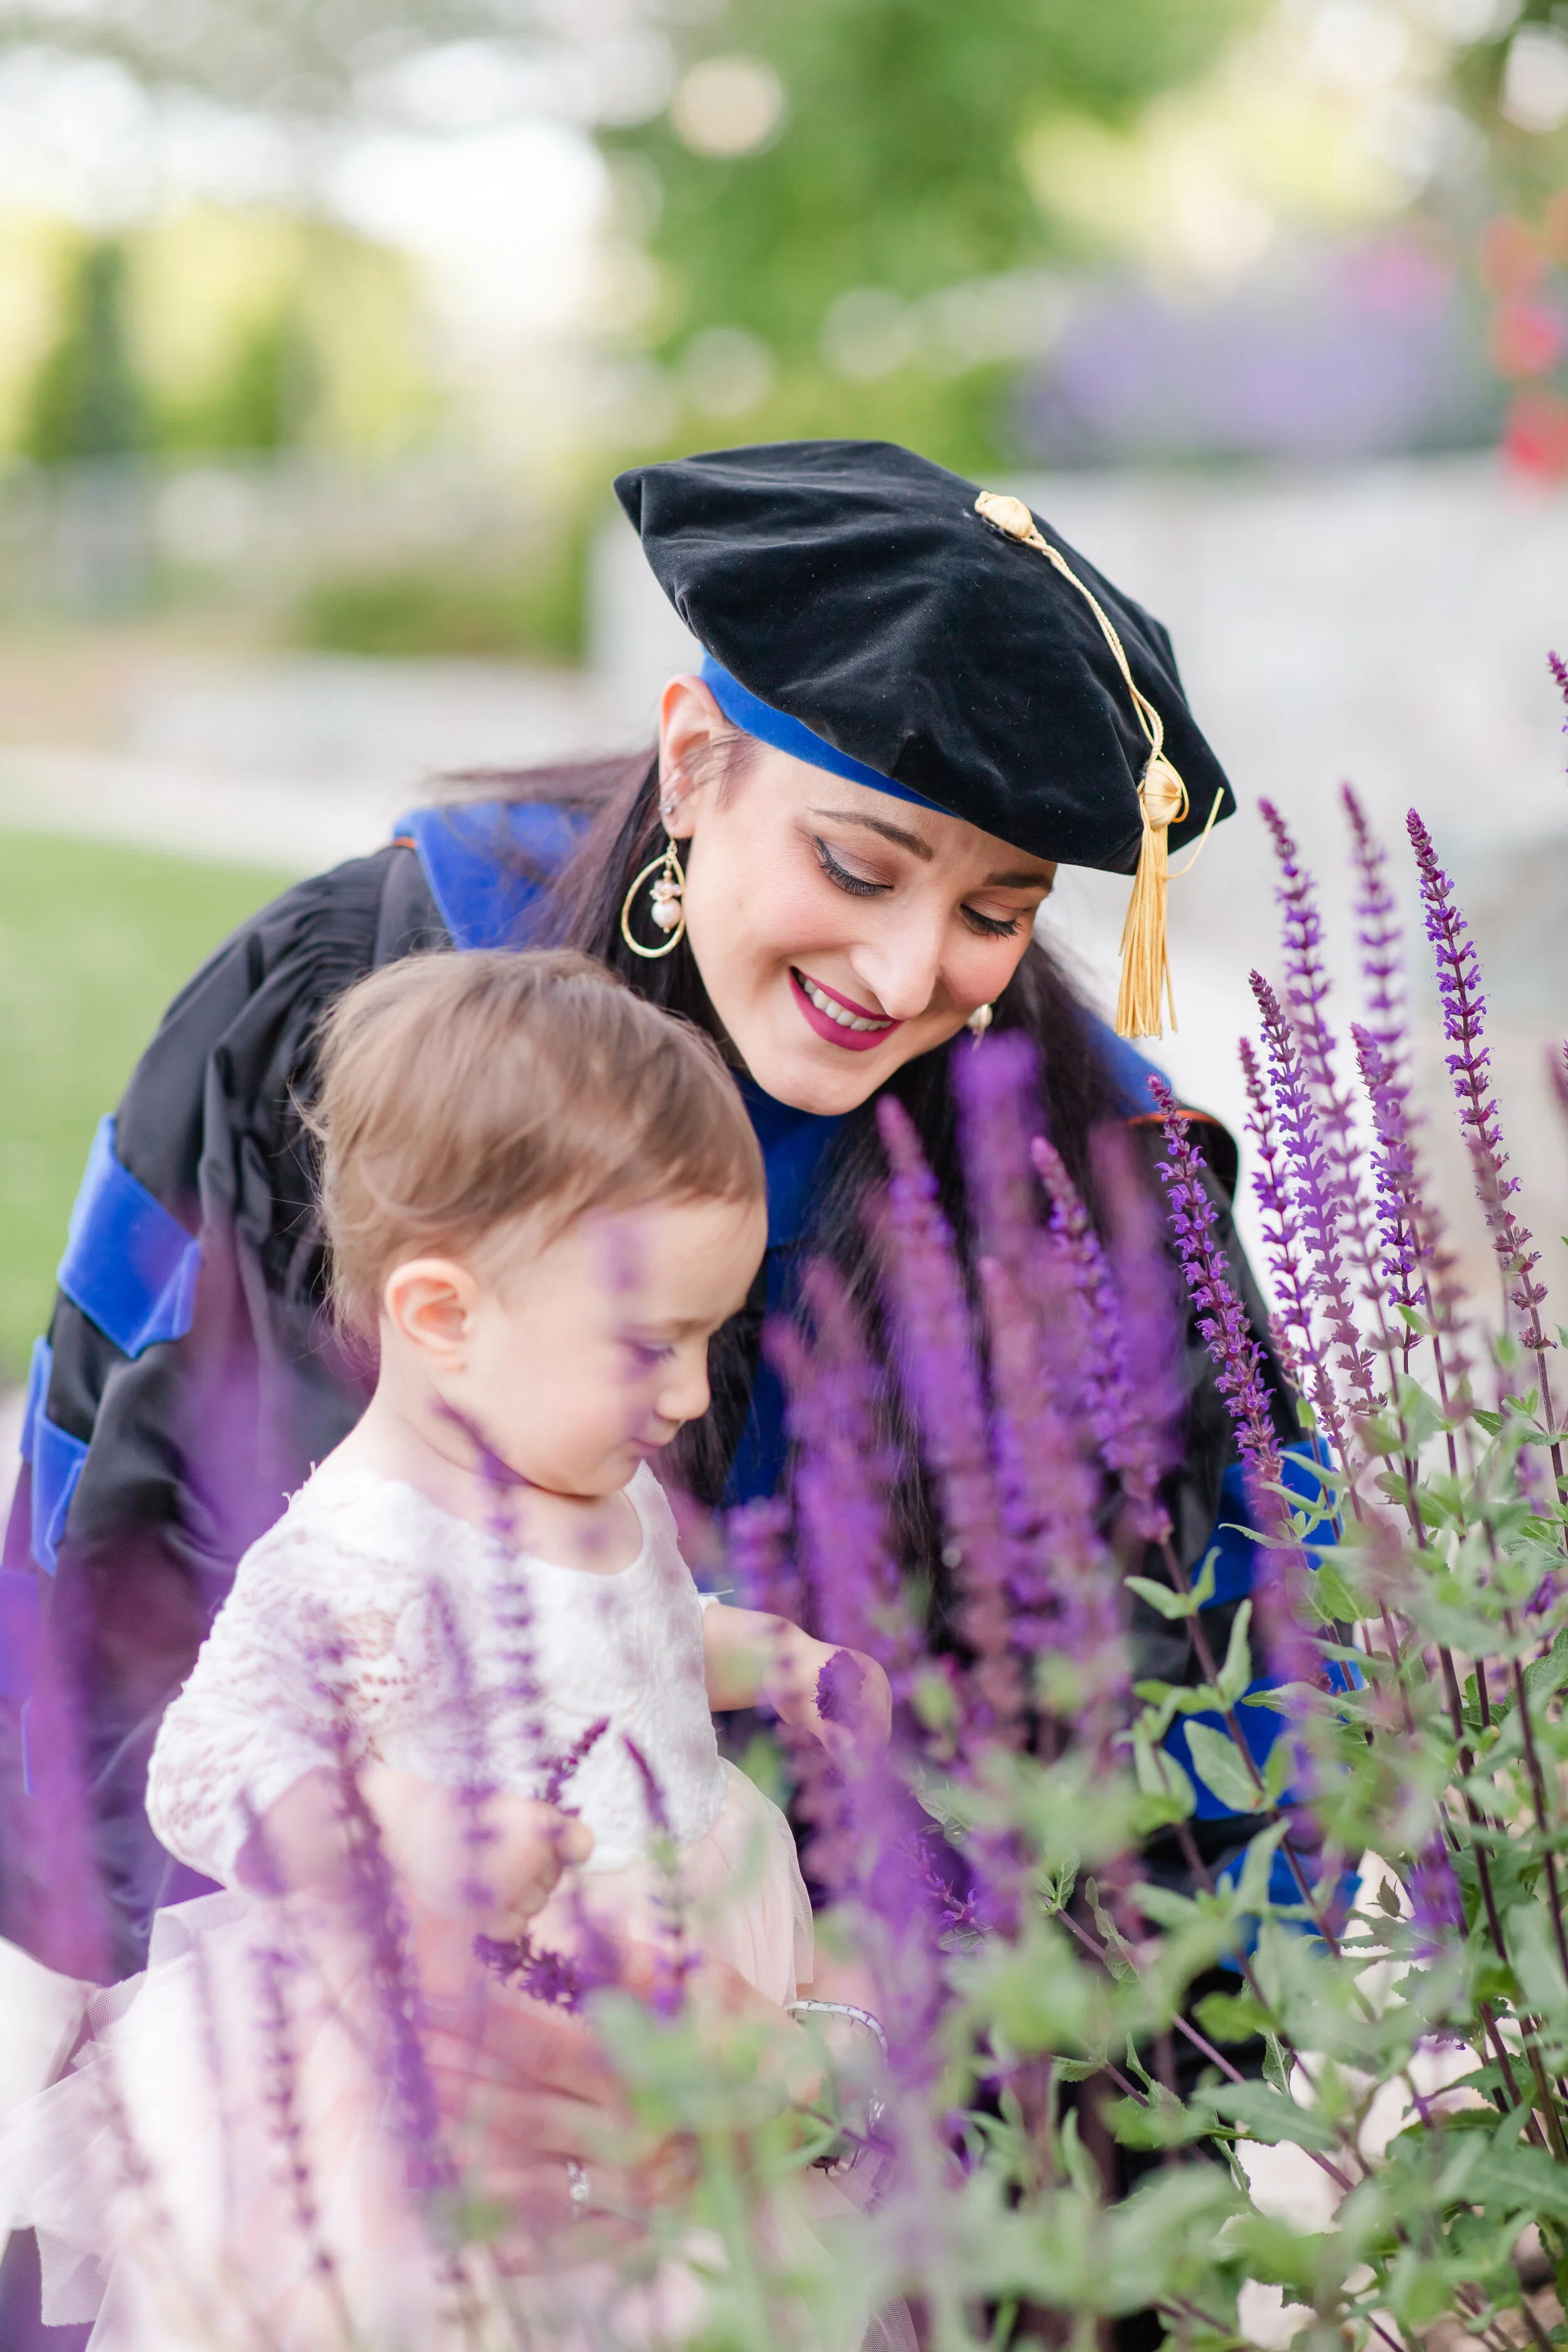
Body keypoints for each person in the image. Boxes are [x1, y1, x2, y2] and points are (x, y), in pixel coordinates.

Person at [2, 437, 1301, 2008]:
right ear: (693, 761)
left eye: (992, 914)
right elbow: (158, 1580)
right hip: (367, 2010)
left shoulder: (1094, 1182)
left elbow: (1222, 1707)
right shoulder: (363, 999)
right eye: (853, 866)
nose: (901, 981)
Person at [0, 948, 896, 2349]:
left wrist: (762, 1657)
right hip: (458, 2036)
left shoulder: (599, 1478)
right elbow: (209, 1758)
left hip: (692, 1930)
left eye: (709, 1342)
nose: (688, 1391)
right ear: (441, 1317)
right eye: (650, 1345)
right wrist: (396, 1824)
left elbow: (636, 1638)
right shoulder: (364, 1545)